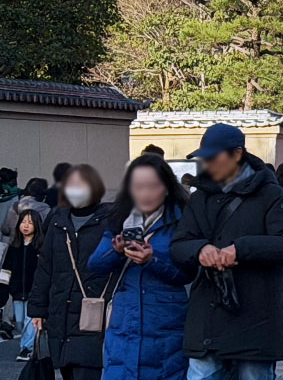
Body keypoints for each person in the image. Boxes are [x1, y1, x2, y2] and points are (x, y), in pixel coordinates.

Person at [170, 123, 283, 380]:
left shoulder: (270, 194)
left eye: (213, 157)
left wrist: (241, 249)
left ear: (237, 154)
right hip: (208, 316)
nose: (207, 164)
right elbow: (178, 246)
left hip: (255, 316)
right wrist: (200, 250)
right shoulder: (200, 198)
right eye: (204, 158)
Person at [88, 154, 191, 380]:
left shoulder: (182, 220)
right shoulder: (119, 219)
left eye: (152, 186)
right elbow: (94, 265)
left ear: (166, 187)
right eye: (138, 187)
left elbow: (188, 272)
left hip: (167, 318)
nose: (145, 194)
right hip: (124, 319)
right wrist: (116, 251)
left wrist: (152, 261)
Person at [27, 164, 112, 380]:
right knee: (67, 371)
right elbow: (45, 267)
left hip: (93, 312)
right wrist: (38, 308)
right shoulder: (57, 220)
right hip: (59, 312)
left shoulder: (110, 220)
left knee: (88, 370)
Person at [4, 209, 43, 361]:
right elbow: (6, 270)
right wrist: (4, 289)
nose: (26, 226)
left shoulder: (40, 247)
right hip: (17, 291)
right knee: (19, 322)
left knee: (29, 320)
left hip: (34, 291)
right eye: (23, 222)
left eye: (30, 223)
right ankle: (26, 346)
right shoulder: (14, 247)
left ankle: (27, 348)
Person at [2, 177, 50, 243]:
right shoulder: (46, 209)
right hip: (35, 246)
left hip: (14, 244)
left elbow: (5, 229)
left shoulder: (15, 205)